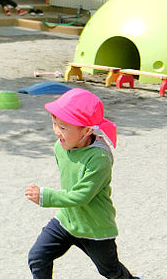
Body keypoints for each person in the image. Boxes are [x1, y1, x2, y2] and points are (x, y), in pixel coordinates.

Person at [25, 88, 140, 279]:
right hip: (67, 219)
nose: (56, 132)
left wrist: (45, 196)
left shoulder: (99, 158)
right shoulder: (60, 147)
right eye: (54, 123)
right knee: (38, 257)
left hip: (94, 226)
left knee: (110, 271)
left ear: (86, 130)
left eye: (63, 128)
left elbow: (81, 195)